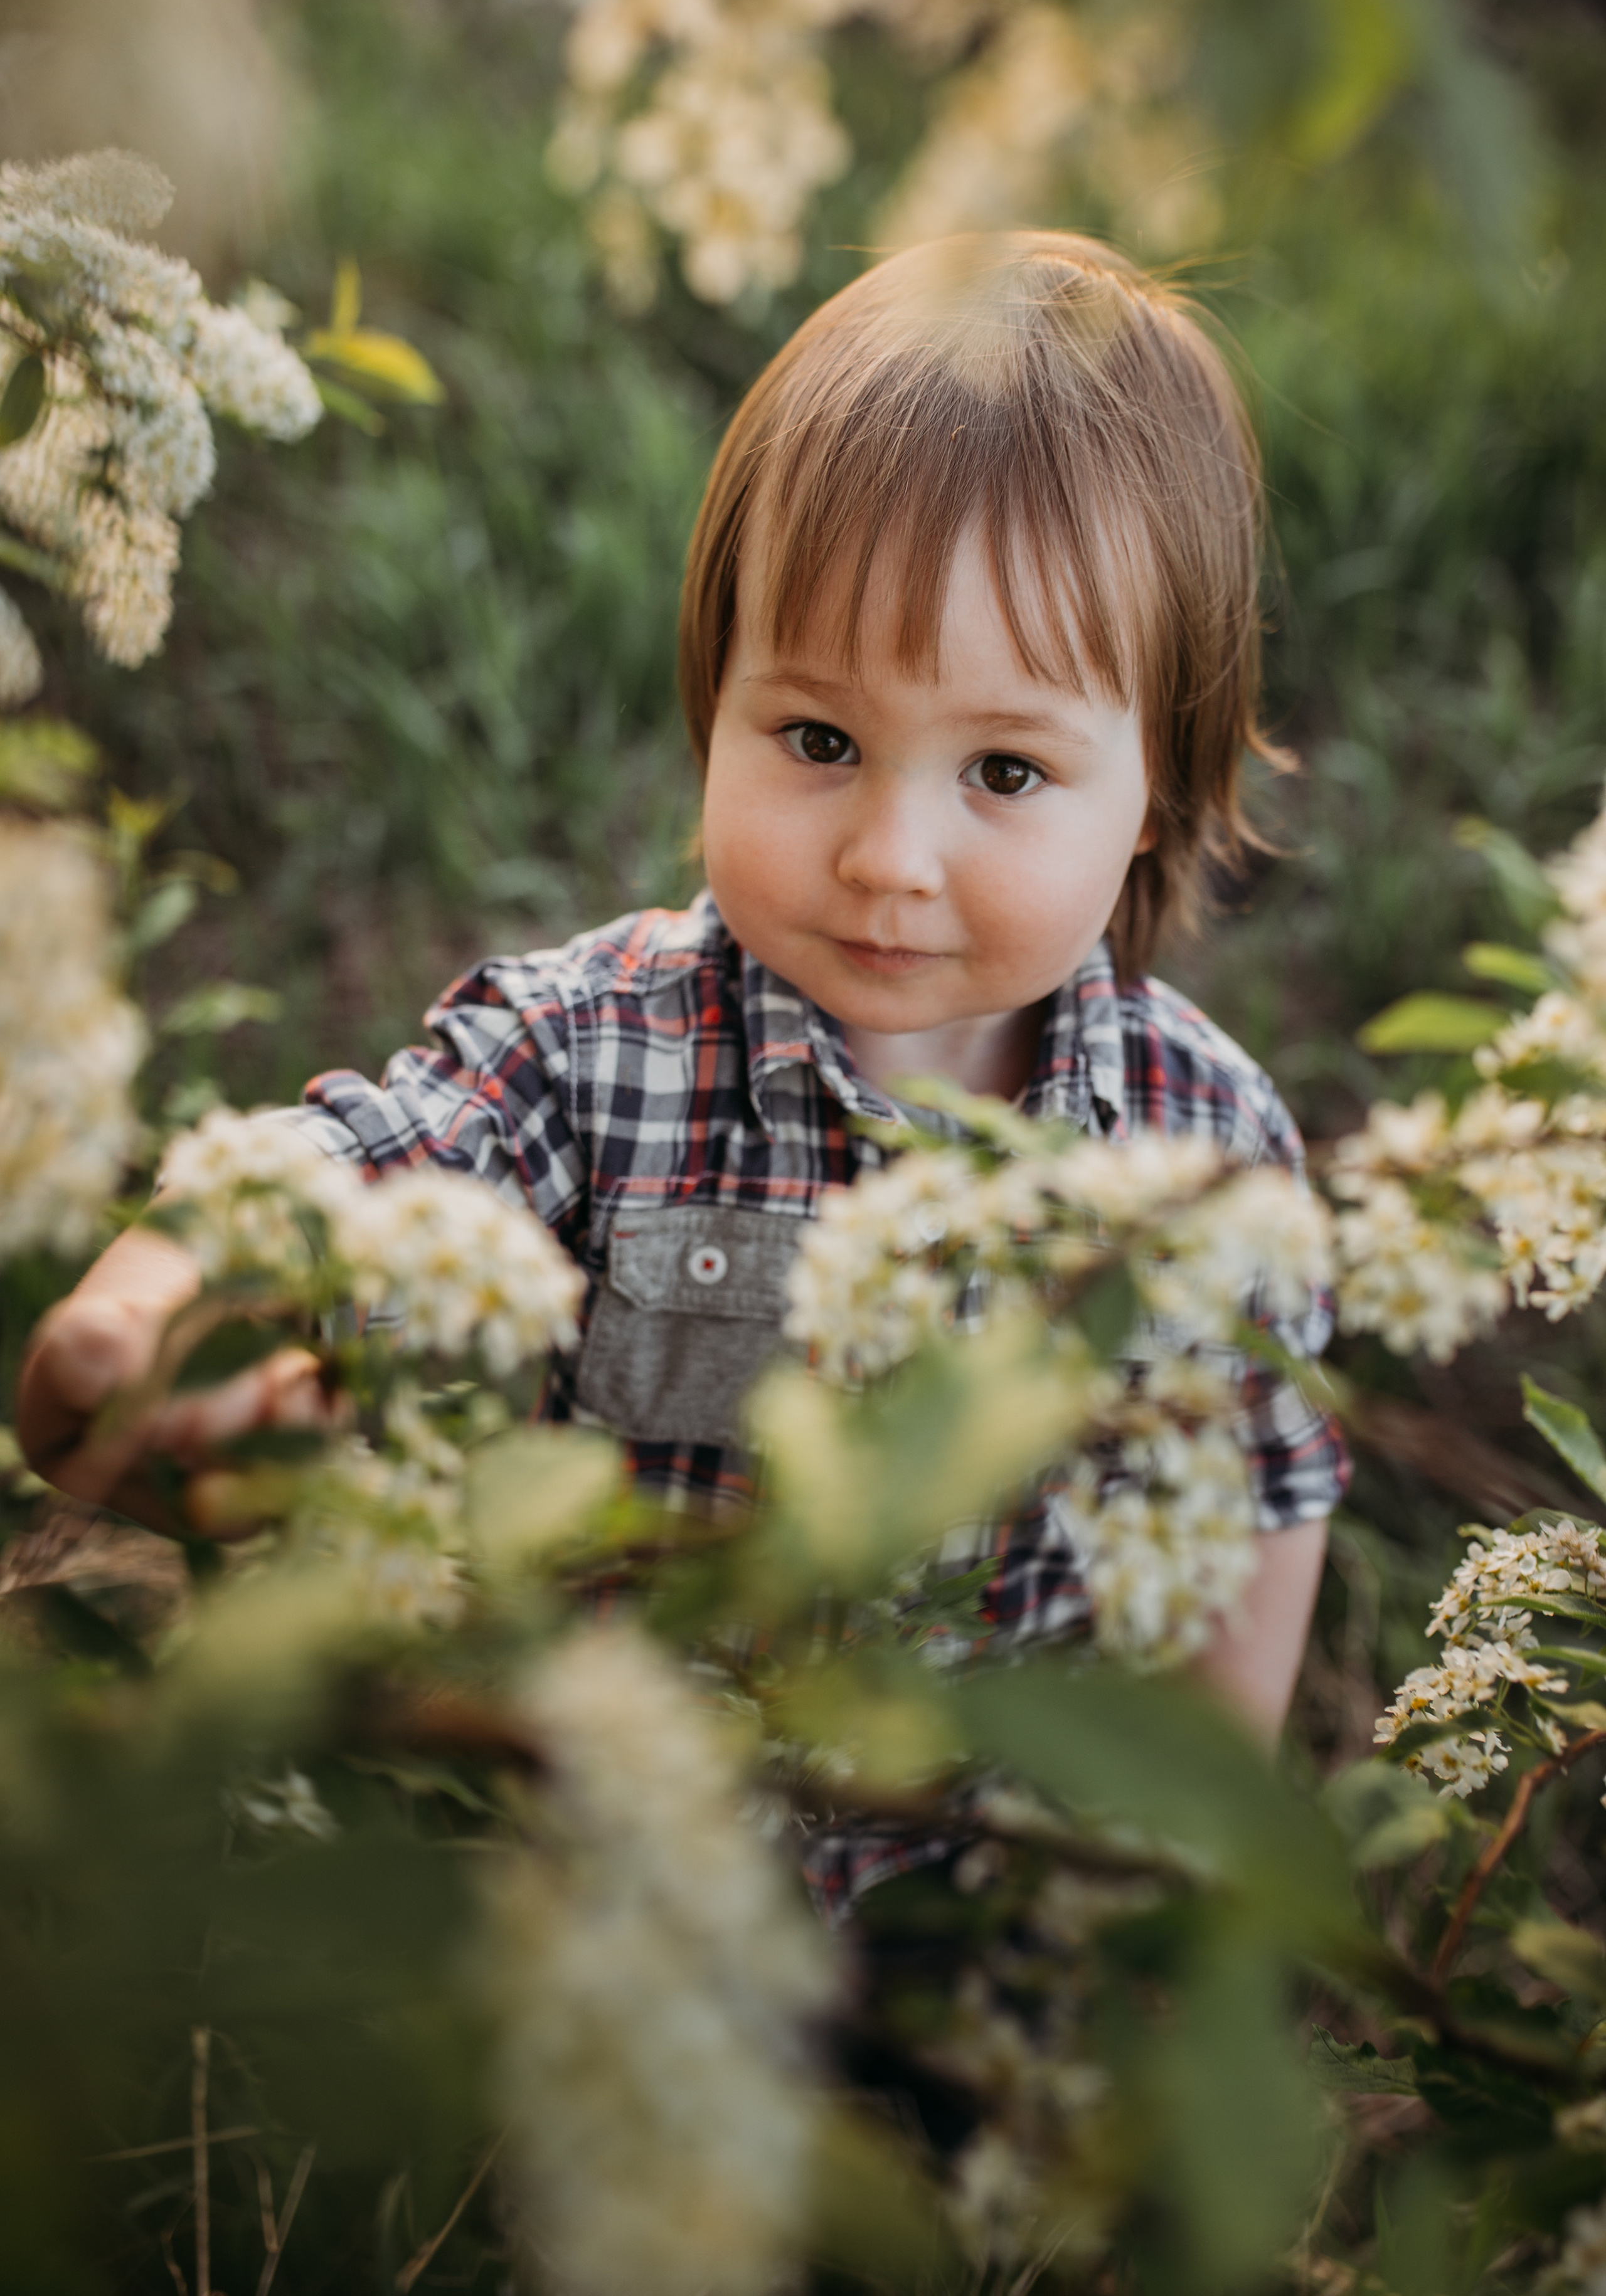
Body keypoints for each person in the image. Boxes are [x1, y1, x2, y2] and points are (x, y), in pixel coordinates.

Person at [18, 231, 1345, 1785]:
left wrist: (1172, 1905)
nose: (887, 858)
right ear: (715, 694)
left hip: (976, 1940)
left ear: (1151, 793)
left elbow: (1249, 1532)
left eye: (1002, 772)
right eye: (816, 737)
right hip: (602, 1887)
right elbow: (349, 1174)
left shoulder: (1209, 1155)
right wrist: (146, 1318)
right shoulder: (597, 1049)